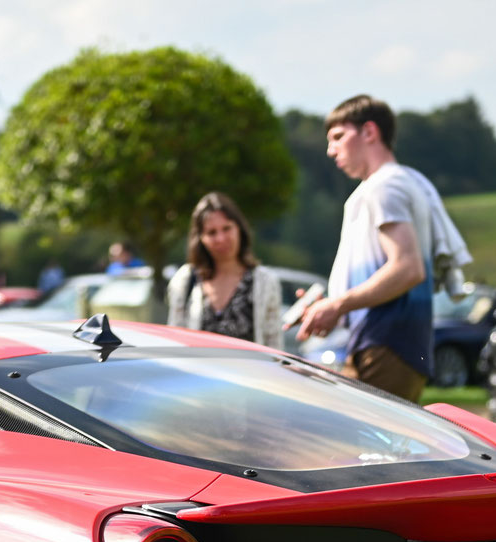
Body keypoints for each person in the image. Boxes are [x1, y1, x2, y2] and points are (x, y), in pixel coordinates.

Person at [297, 94, 472, 403]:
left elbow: (407, 268)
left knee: (369, 447)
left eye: (338, 137)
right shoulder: (403, 181)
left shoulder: (385, 186)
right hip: (387, 343)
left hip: (387, 344)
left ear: (369, 132)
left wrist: (338, 306)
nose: (330, 149)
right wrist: (330, 304)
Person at [164, 192, 283, 349]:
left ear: (239, 229)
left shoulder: (265, 281)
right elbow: (174, 342)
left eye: (227, 228)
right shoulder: (185, 280)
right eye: (211, 232)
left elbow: (274, 346)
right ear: (200, 238)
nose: (220, 239)